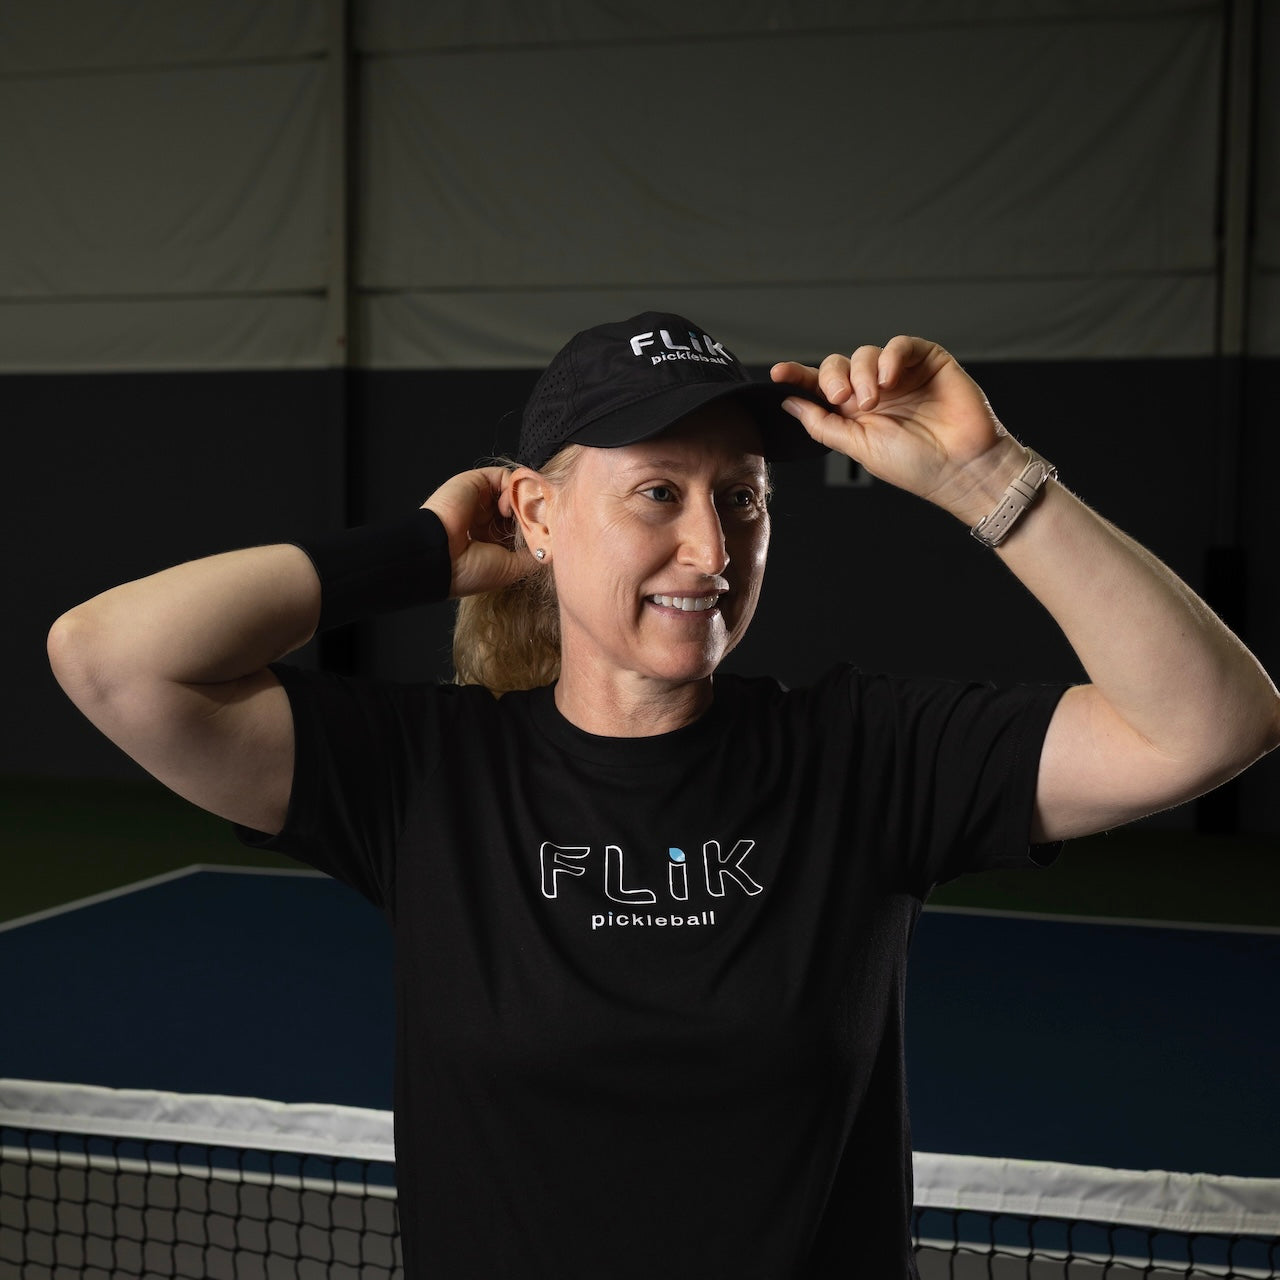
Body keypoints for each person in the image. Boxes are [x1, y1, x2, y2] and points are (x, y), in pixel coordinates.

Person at [47, 311, 1280, 1279]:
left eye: (740, 497)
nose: (712, 548)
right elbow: (110, 656)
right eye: (656, 492)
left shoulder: (866, 756)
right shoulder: (425, 774)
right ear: (537, 511)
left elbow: (1211, 722)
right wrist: (418, 550)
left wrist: (986, 478)